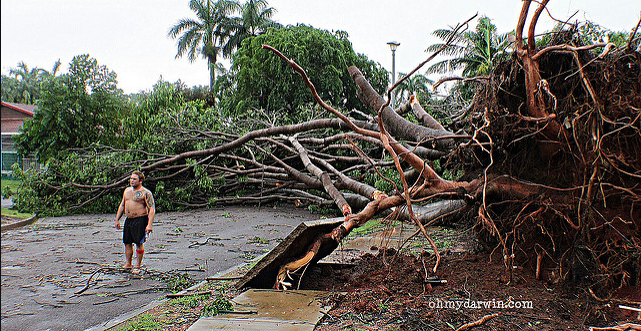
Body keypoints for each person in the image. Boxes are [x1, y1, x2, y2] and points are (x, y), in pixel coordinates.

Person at [115, 171, 155, 274]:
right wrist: (117, 219)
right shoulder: (127, 191)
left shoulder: (145, 193)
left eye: (134, 179)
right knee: (127, 242)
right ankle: (128, 264)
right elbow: (122, 205)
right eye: (131, 179)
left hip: (140, 219)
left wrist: (149, 224)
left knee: (138, 242)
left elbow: (151, 209)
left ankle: (138, 265)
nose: (132, 181)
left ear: (140, 181)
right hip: (129, 220)